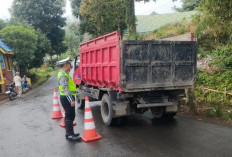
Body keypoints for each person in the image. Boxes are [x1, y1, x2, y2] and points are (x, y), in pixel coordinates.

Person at [56, 57, 81, 142]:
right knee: (70, 116)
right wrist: (71, 100)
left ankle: (69, 133)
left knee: (69, 115)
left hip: (66, 98)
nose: (71, 67)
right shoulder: (63, 75)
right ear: (66, 65)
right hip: (67, 98)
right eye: (70, 65)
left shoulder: (63, 73)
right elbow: (65, 89)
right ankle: (70, 135)